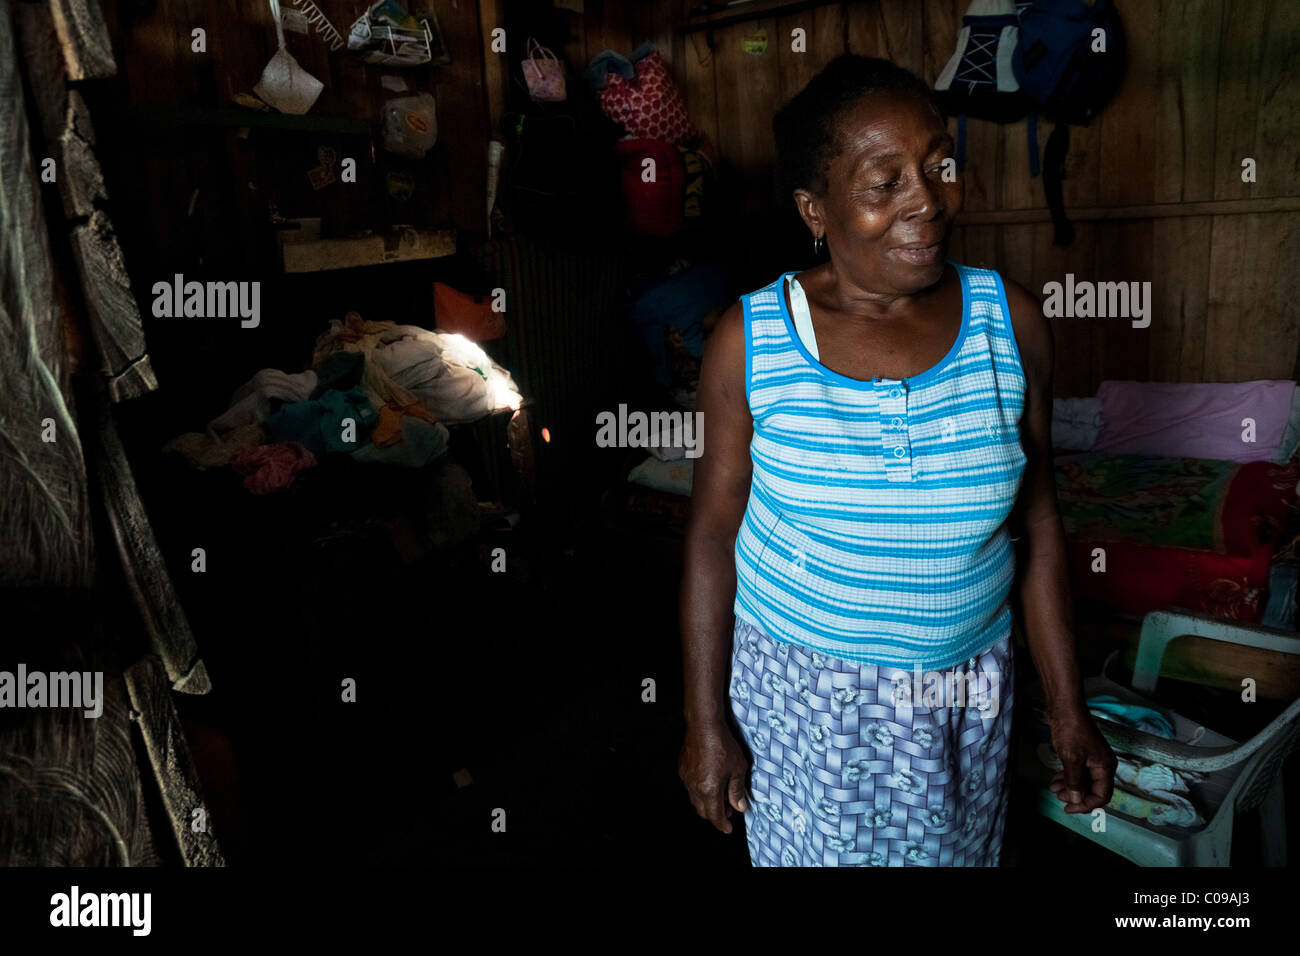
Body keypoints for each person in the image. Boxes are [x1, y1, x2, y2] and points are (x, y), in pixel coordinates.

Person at [678, 54, 1116, 867]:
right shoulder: (751, 341)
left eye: (940, 165)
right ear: (816, 209)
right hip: (803, 701)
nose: (930, 199)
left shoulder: (1009, 323)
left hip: (963, 698)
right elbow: (711, 539)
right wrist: (705, 724)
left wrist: (1067, 708)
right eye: (886, 182)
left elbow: (1041, 521)